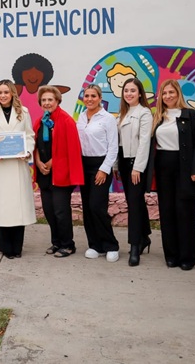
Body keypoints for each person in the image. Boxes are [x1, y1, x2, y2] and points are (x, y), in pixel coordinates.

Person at [152, 80, 195, 270]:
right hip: (163, 167)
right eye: (164, 93)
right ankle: (171, 255)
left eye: (171, 92)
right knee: (167, 211)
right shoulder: (158, 116)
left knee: (185, 212)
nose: (168, 96)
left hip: (185, 167)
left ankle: (187, 257)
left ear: (178, 94)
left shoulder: (190, 114)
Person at [0, 80, 36, 259]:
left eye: (6, 92)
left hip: (18, 165)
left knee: (18, 206)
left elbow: (29, 135)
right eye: (0, 93)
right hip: (1, 165)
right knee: (3, 206)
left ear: (12, 93)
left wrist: (27, 151)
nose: (3, 95)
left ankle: (17, 247)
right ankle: (5, 247)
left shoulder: (23, 112)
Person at [34, 85, 84, 258]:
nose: (47, 103)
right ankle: (56, 242)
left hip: (61, 175)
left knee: (61, 211)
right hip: (44, 174)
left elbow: (71, 149)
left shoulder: (66, 121)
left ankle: (68, 244)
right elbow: (35, 145)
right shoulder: (40, 121)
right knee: (49, 211)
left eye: (50, 99)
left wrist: (52, 162)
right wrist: (38, 162)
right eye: (44, 100)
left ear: (57, 101)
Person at [76, 84, 120, 262]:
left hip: (100, 165)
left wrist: (104, 169)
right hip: (83, 165)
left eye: (93, 96)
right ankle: (95, 245)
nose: (89, 99)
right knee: (87, 207)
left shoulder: (108, 119)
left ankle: (111, 245)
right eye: (87, 96)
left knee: (97, 206)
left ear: (100, 98)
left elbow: (113, 147)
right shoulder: (81, 117)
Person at [116, 77, 153, 266]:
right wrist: (116, 166)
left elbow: (145, 142)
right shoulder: (122, 114)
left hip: (135, 163)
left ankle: (135, 245)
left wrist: (137, 167)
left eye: (132, 90)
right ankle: (144, 236)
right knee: (135, 201)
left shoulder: (144, 113)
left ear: (140, 93)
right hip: (123, 162)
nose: (129, 93)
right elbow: (117, 143)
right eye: (126, 90)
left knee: (134, 204)